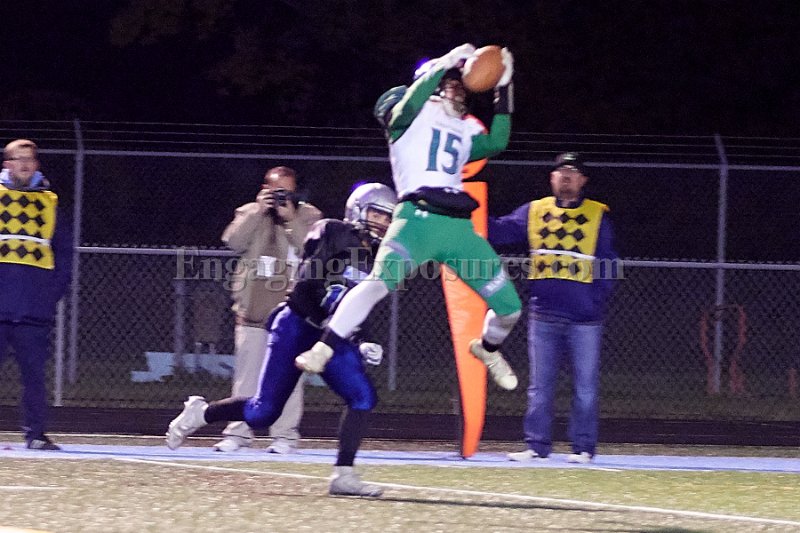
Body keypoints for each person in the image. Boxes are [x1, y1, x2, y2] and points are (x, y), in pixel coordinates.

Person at [295, 44, 523, 393]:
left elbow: (497, 143)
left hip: (458, 227)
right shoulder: (410, 118)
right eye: (450, 83)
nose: (459, 89)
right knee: (377, 284)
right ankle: (323, 347)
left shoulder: (462, 128)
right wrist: (444, 63)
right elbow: (404, 109)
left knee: (510, 309)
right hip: (415, 220)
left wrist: (504, 87)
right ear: (430, 88)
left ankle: (487, 349)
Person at [166, 182, 397, 497]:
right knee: (263, 412)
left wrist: (363, 338)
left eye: (387, 218)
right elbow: (306, 287)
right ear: (357, 210)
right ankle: (201, 413)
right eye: (376, 214)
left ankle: (343, 475)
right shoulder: (331, 231)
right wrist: (334, 321)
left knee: (363, 397)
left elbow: (359, 304)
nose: (381, 223)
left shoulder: (379, 257)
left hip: (331, 333)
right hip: (297, 324)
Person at [489, 152, 618, 464]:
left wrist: (596, 299)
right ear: (552, 178)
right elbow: (499, 231)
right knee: (540, 388)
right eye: (561, 172)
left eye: (573, 172)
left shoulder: (597, 215)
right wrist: (469, 211)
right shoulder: (535, 210)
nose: (566, 177)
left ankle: (583, 448)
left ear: (583, 180)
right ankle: (536, 446)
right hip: (543, 313)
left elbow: (608, 263)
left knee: (585, 389)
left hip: (585, 319)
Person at [216, 166, 321, 453]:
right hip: (253, 309)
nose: (281, 197)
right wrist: (258, 211)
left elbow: (312, 249)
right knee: (246, 380)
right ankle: (238, 433)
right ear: (265, 189)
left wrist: (290, 219)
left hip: (291, 313)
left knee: (288, 380)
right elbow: (232, 241)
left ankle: (285, 436)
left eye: (287, 192)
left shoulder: (309, 216)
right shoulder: (250, 211)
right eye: (276, 191)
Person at [0, 139, 73, 450]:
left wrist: (49, 295)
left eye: (29, 159)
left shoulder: (50, 202)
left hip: (33, 309)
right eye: (18, 159)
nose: (25, 165)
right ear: (7, 164)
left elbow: (64, 254)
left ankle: (36, 435)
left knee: (34, 377)